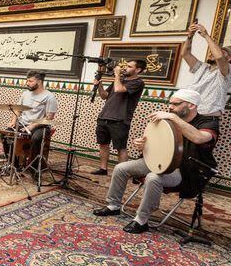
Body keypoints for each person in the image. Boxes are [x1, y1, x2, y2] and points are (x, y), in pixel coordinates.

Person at [93, 89, 219, 234]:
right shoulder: (169, 118)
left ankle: (141, 220)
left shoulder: (209, 123)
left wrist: (173, 118)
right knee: (121, 168)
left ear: (191, 105)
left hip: (186, 171)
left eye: (175, 104)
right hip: (159, 161)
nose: (171, 107)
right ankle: (113, 206)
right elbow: (156, 141)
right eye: (170, 104)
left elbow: (199, 138)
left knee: (153, 177)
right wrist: (143, 144)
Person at [91, 60, 146, 175]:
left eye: (129, 66)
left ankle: (121, 172)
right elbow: (104, 95)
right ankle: (103, 169)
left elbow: (119, 90)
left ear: (138, 70)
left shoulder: (138, 82)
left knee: (120, 147)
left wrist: (116, 75)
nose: (125, 68)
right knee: (103, 144)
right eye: (125, 65)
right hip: (104, 117)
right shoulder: (119, 80)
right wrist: (99, 85)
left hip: (120, 120)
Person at [3, 70, 58, 161]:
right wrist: (13, 121)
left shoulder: (49, 96)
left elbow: (49, 117)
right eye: (27, 80)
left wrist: (32, 126)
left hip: (40, 126)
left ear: (39, 82)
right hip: (24, 124)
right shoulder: (25, 94)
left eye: (30, 81)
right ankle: (13, 164)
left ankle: (33, 167)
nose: (27, 83)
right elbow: (18, 110)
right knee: (7, 134)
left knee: (36, 138)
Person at [182, 22, 231, 119]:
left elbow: (220, 57)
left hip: (206, 118)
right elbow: (185, 54)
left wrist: (206, 36)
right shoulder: (202, 66)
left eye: (221, 51)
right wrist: (190, 36)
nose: (212, 52)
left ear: (229, 58)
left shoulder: (227, 70)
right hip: (189, 115)